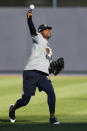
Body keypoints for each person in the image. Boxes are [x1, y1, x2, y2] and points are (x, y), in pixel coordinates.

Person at [9, 10, 64, 124]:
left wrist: (53, 69)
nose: (49, 31)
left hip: (43, 75)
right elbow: (32, 30)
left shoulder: (50, 49)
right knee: (25, 101)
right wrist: (29, 19)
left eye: (49, 29)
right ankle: (13, 109)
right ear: (41, 32)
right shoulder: (38, 38)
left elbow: (48, 66)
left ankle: (52, 118)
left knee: (51, 93)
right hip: (31, 72)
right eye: (47, 29)